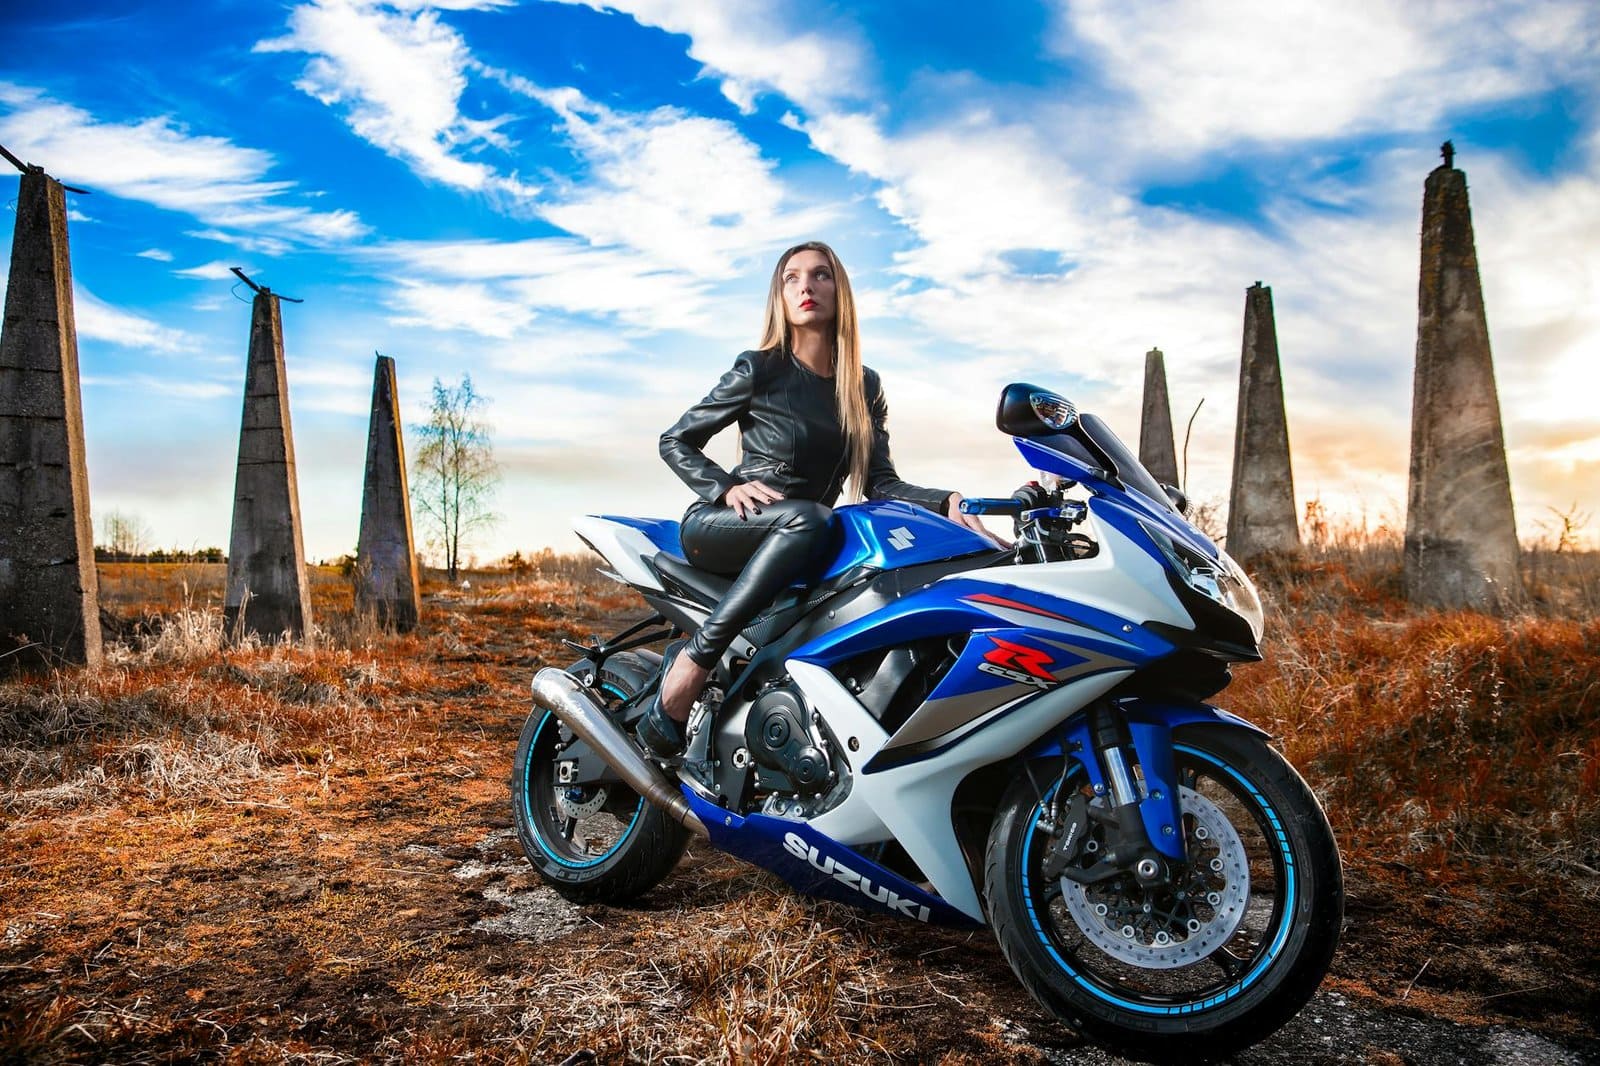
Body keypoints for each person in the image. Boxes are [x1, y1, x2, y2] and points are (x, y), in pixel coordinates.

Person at [637, 240, 996, 756]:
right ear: (780, 297)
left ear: (839, 290)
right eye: (792, 278)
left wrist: (949, 502)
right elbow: (675, 439)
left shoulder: (862, 386)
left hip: (803, 533)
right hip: (725, 526)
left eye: (820, 275)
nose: (806, 286)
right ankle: (694, 662)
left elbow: (881, 485)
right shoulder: (760, 369)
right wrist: (725, 486)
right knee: (812, 519)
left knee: (842, 533)